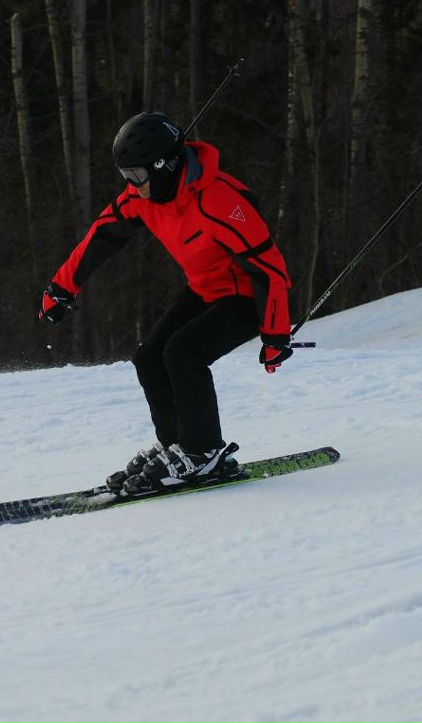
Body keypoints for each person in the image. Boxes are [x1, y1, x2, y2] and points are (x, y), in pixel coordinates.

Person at [38, 111, 294, 494]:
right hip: (204, 290)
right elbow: (101, 238)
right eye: (126, 176)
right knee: (149, 357)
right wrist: (61, 288)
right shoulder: (146, 197)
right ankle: (178, 444)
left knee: (183, 354)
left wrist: (275, 335)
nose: (131, 186)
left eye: (137, 176)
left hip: (244, 299)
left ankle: (203, 451)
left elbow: (270, 269)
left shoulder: (219, 200)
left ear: (164, 166)